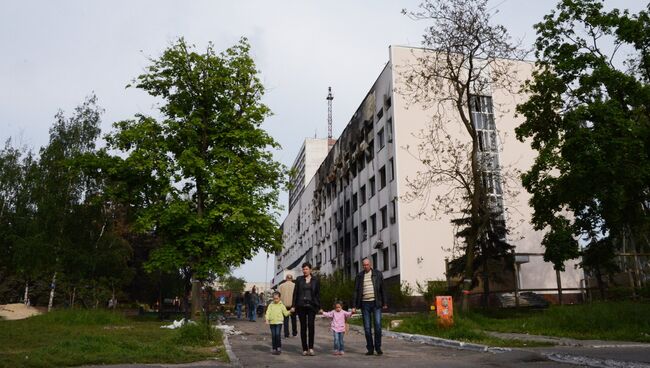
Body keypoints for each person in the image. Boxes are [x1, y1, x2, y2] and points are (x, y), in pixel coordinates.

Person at [353, 257, 388, 356]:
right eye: (364, 265)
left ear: (370, 264)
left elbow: (383, 289)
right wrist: (354, 305)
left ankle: (378, 347)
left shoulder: (377, 274)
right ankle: (370, 348)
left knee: (377, 326)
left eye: (367, 265)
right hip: (365, 304)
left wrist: (384, 302)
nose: (365, 266)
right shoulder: (359, 276)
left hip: (376, 303)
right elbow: (355, 291)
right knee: (367, 328)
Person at [291, 262, 320, 356]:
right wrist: (293, 306)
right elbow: (295, 293)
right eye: (303, 269)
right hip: (301, 306)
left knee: (311, 326)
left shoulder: (315, 280)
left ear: (310, 270)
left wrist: (319, 306)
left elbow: (317, 294)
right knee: (303, 327)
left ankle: (311, 348)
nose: (305, 271)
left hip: (311, 306)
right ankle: (304, 348)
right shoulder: (299, 279)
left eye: (306, 269)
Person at [265, 291, 290, 355]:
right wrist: (267, 319)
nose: (275, 300)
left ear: (279, 298)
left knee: (277, 335)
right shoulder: (271, 305)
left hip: (279, 322)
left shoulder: (282, 305)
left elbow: (285, 313)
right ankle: (274, 348)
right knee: (273, 336)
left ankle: (278, 347)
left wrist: (290, 311)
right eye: (274, 298)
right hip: (272, 322)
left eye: (277, 298)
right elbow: (268, 312)